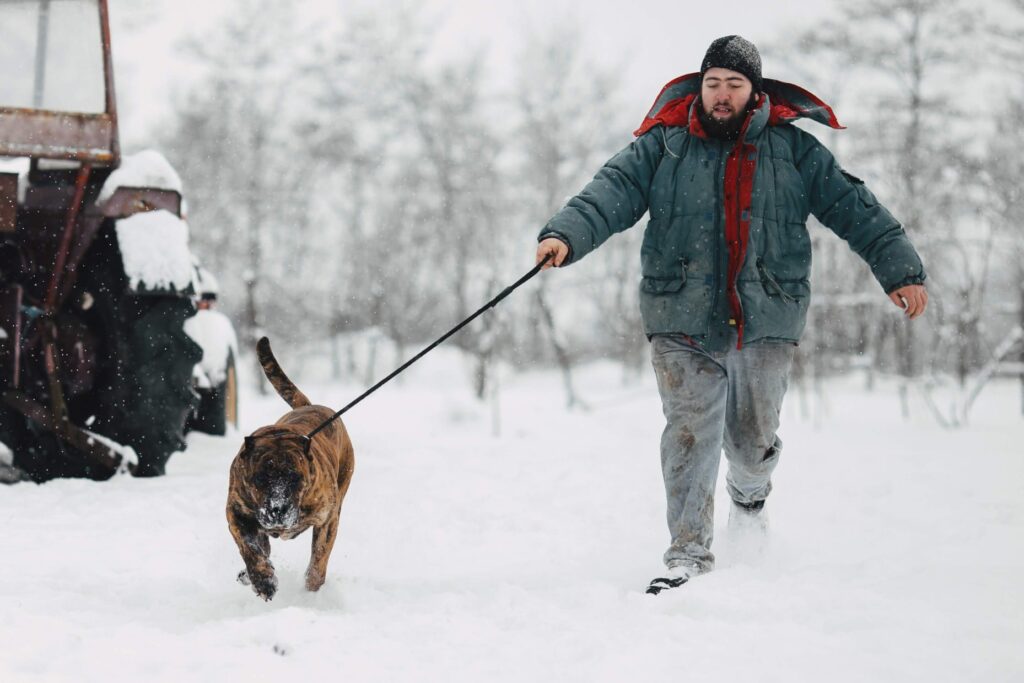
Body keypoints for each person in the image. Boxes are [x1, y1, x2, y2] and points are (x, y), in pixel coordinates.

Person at [534, 35, 927, 594]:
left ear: (754, 91)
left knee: (750, 442)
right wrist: (563, 237)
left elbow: (854, 207)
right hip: (679, 313)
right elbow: (609, 191)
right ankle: (687, 555)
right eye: (713, 83)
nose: (722, 95)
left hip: (766, 316)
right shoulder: (663, 146)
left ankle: (751, 498)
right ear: (701, 86)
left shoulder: (793, 150)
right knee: (690, 435)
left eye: (734, 85)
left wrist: (901, 270)